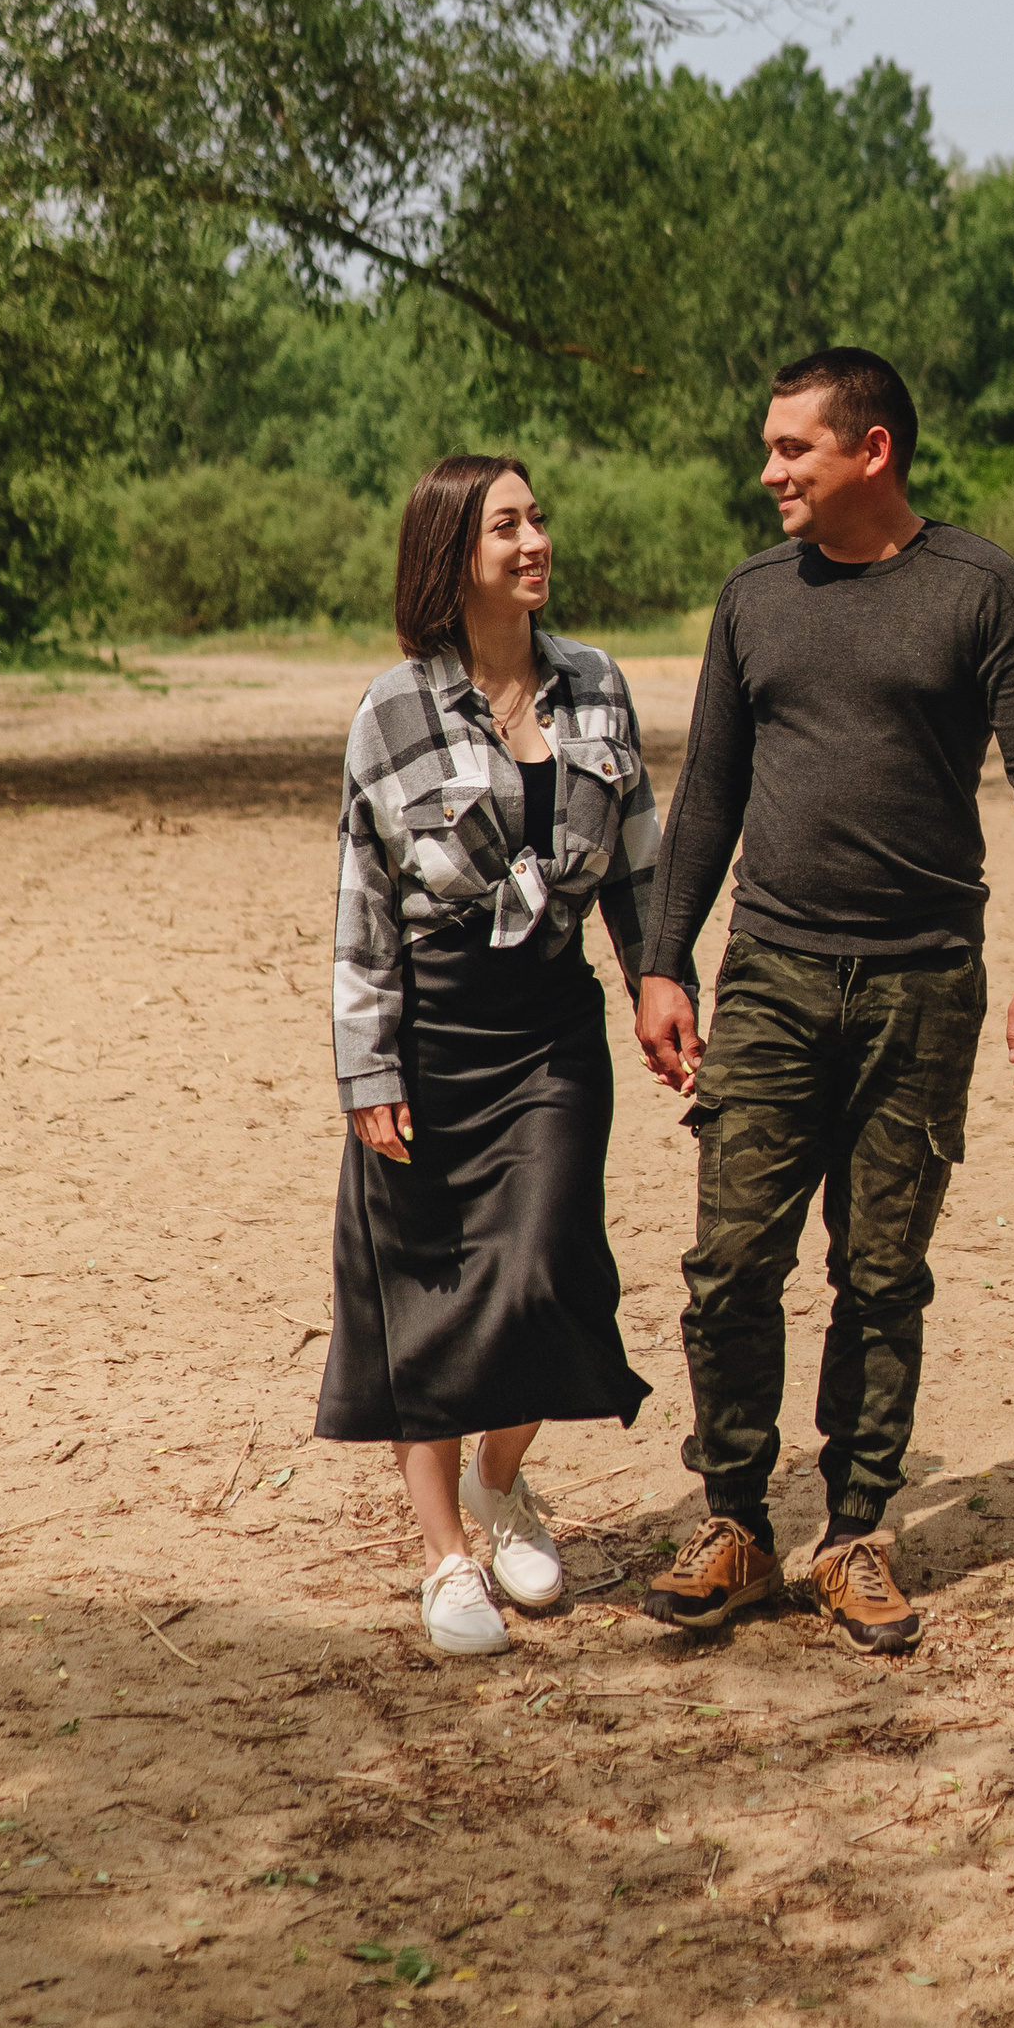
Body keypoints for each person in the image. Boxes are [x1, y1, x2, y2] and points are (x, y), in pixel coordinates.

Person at [632, 348, 1014, 1656]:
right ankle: (734, 1523)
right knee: (731, 1263)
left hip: (922, 981)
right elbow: (708, 791)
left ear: (871, 450)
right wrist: (665, 962)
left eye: (792, 449)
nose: (769, 470)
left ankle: (855, 1535)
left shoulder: (979, 590)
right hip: (770, 969)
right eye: (771, 448)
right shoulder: (754, 598)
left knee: (881, 1271)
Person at [316, 454, 661, 1658]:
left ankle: (500, 1482)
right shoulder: (391, 710)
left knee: (547, 1268)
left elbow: (640, 864)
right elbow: (361, 913)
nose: (535, 540)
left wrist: (657, 979)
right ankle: (445, 1559)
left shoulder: (599, 686)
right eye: (505, 525)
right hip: (433, 1035)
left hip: (553, 1025)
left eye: (537, 518)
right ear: (452, 553)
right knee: (428, 1299)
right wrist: (369, 1075)